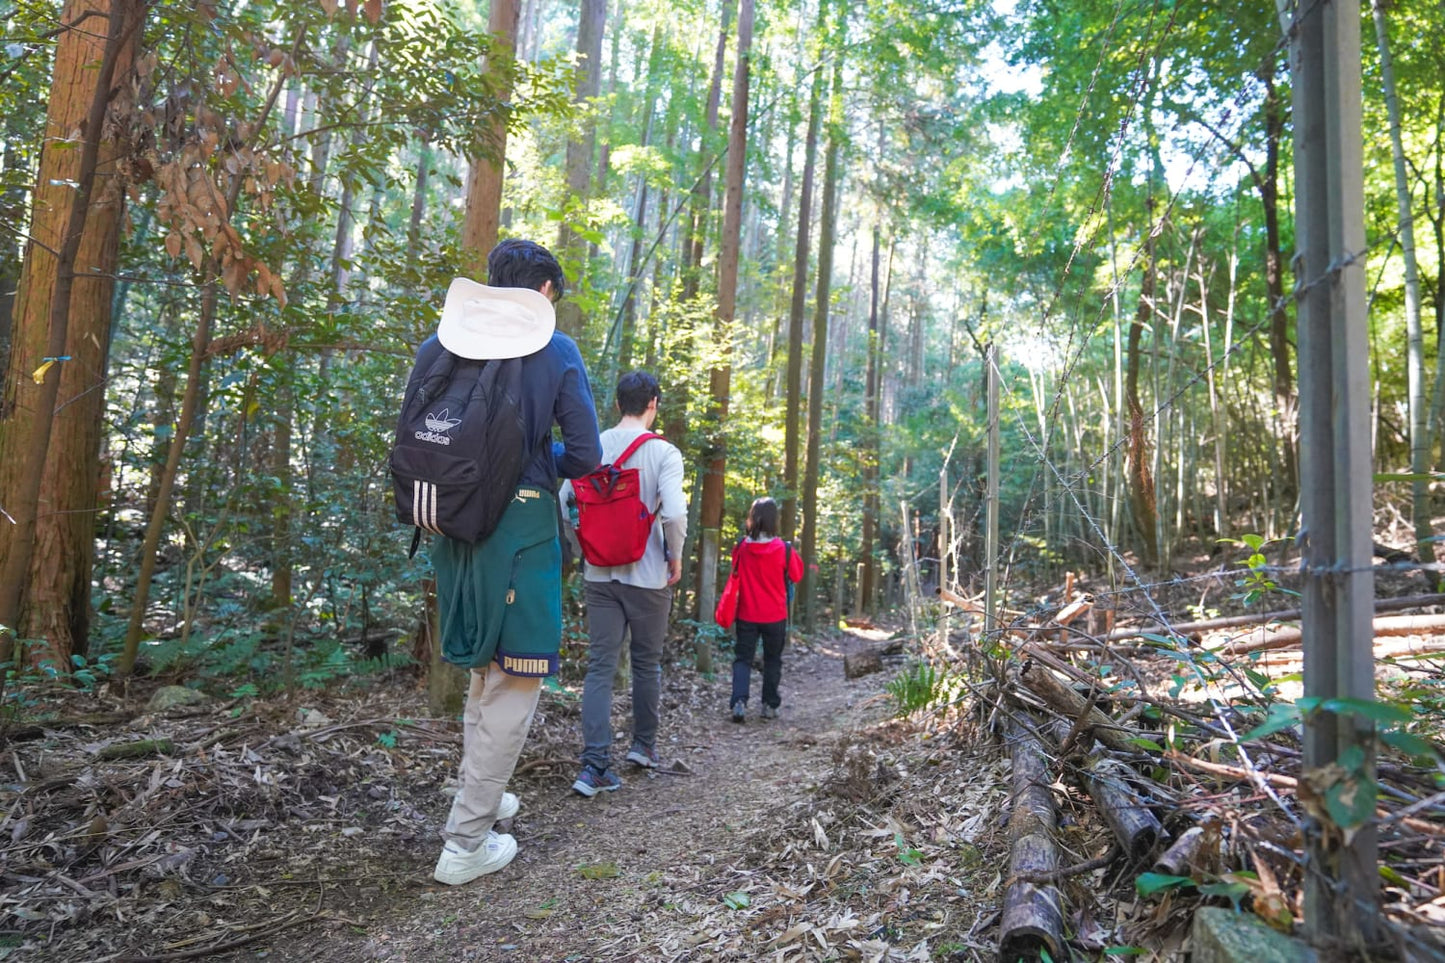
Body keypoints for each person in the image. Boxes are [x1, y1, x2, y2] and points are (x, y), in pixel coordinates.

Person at [425, 239, 601, 885]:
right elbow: (584, 455)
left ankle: (484, 793)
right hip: (520, 525)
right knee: (514, 679)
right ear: (544, 292)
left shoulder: (440, 342)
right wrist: (532, 463)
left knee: (484, 670)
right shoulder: (553, 349)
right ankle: (465, 843)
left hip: (453, 525)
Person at [560, 371, 687, 796]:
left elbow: (565, 501)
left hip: (600, 574)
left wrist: (585, 546)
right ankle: (643, 747)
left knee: (600, 666)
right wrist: (675, 555)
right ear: (654, 403)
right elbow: (673, 512)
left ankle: (594, 765)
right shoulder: (664, 452)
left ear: (617, 404)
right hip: (649, 575)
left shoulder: (593, 445)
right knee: (646, 662)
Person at [727, 497, 804, 723]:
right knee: (773, 659)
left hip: (747, 613)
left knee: (742, 659)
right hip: (775, 615)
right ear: (774, 520)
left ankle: (739, 701)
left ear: (752, 518)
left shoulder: (741, 547)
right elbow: (797, 575)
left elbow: (735, 570)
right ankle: (769, 705)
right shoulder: (784, 549)